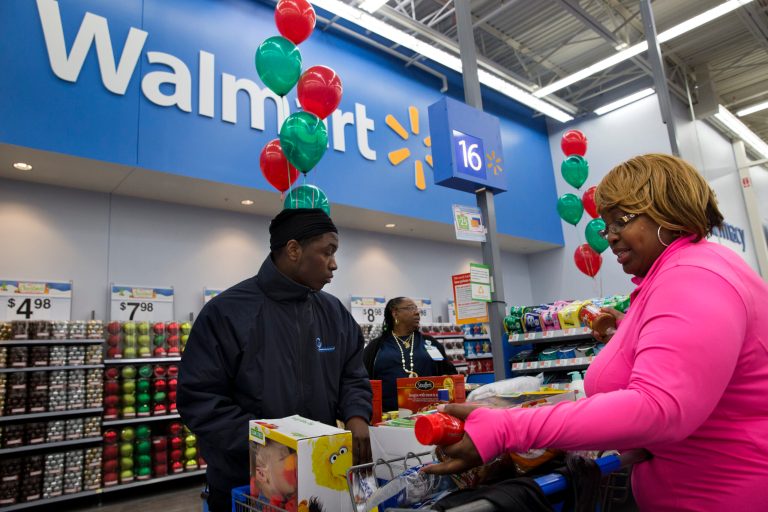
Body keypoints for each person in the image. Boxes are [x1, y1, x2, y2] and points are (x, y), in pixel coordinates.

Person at [424, 154, 768, 511]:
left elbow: (659, 407)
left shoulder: (692, 277)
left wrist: (506, 427)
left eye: (621, 220)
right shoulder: (691, 271)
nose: (611, 237)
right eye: (606, 226)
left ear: (668, 209)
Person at [178, 208, 372, 512]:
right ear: (294, 249)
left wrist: (357, 414)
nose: (334, 264)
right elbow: (199, 398)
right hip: (246, 485)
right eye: (328, 252)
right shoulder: (227, 312)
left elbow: (353, 373)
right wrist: (268, 444)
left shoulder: (334, 313)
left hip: (319, 479)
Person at [363, 297, 457, 412]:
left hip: (428, 415)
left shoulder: (430, 343)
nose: (417, 312)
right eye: (411, 308)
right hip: (388, 417)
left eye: (416, 308)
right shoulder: (376, 347)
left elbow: (449, 374)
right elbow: (362, 381)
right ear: (395, 313)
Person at [250, 440, 298, 510]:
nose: (294, 462)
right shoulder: (267, 507)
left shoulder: (292, 500)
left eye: (290, 455)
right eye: (283, 458)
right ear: (261, 474)